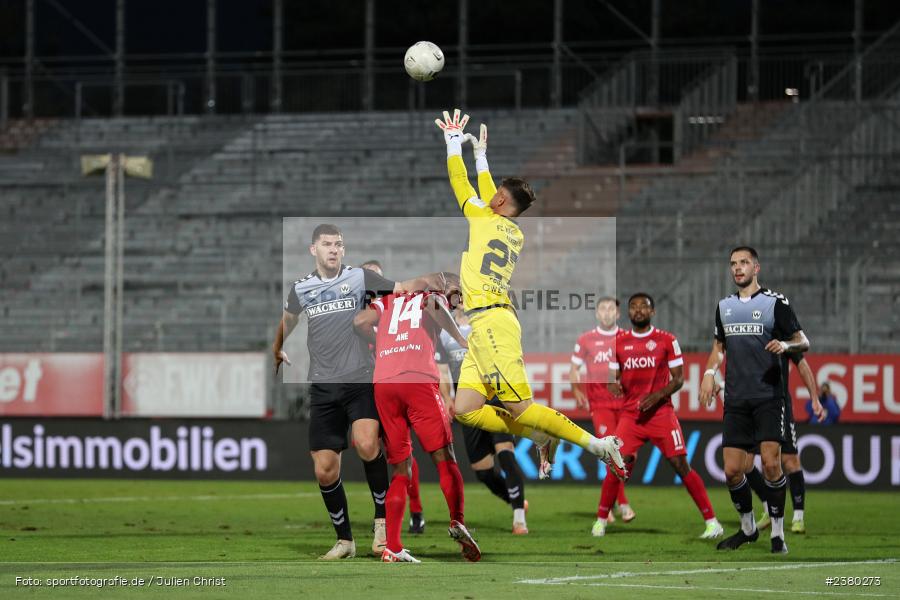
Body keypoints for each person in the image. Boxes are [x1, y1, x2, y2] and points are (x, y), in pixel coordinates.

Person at [434, 108, 625, 478]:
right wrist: (482, 158)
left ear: (502, 202)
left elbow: (462, 185)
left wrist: (454, 144)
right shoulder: (513, 230)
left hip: (491, 321)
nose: (492, 196)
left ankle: (597, 445)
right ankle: (540, 433)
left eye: (497, 195)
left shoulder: (483, 215)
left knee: (520, 405)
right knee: (466, 407)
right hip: (484, 322)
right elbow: (493, 194)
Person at [272, 224, 445, 560]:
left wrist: (435, 280)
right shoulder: (301, 288)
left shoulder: (360, 278)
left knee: (367, 443)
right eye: (326, 245)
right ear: (313, 250)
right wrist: (277, 347)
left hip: (361, 379)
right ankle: (345, 540)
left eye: (338, 244)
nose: (333, 250)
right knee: (324, 468)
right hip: (322, 384)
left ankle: (381, 528)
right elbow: (288, 320)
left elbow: (402, 288)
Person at [354, 274, 480, 563]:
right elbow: (434, 307)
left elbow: (358, 322)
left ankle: (393, 548)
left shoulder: (385, 303)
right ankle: (457, 521)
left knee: (400, 469)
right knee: (444, 457)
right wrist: (461, 339)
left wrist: (382, 343)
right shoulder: (429, 297)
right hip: (418, 381)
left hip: (384, 384)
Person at [700, 246, 810, 555]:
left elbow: (804, 340)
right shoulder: (724, 307)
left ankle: (777, 533)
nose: (738, 268)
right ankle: (748, 528)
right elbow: (719, 347)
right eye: (733, 263)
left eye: (744, 262)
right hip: (736, 398)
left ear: (756, 268)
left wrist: (785, 344)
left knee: (772, 464)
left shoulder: (776, 304)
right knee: (733, 469)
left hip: (768, 397)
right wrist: (710, 371)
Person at [594, 293, 723, 539]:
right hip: (631, 416)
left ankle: (712, 522)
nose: (638, 310)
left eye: (644, 306)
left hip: (661, 413)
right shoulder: (619, 342)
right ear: (629, 313)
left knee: (680, 464)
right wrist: (613, 385)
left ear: (652, 312)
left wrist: (656, 396)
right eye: (634, 306)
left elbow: (679, 379)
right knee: (616, 464)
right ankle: (601, 521)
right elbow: (613, 376)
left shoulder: (666, 340)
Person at [436, 305, 530, 534]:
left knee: (505, 454)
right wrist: (447, 397)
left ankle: (519, 519)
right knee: (483, 471)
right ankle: (515, 499)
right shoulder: (444, 333)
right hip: (468, 404)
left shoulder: (485, 323)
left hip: (495, 395)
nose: (460, 298)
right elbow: (442, 369)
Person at [361, 259, 425, 535]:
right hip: (365, 388)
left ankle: (415, 510)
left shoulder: (391, 308)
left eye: (377, 279)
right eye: (368, 278)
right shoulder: (355, 312)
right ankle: (386, 515)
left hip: (390, 385)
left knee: (401, 453)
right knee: (368, 444)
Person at [570, 296, 636, 528]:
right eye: (603, 309)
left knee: (627, 454)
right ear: (597, 314)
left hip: (626, 404)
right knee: (611, 452)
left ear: (618, 314)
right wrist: (577, 390)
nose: (607, 313)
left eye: (611, 309)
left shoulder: (627, 339)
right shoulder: (586, 339)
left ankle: (609, 505)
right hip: (600, 405)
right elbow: (574, 369)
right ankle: (622, 503)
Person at [741, 354, 823, 534]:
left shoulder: (781, 330)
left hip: (779, 405)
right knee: (745, 464)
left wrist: (814, 397)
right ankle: (769, 510)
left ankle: (798, 517)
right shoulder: (749, 333)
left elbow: (801, 363)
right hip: (754, 406)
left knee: (790, 460)